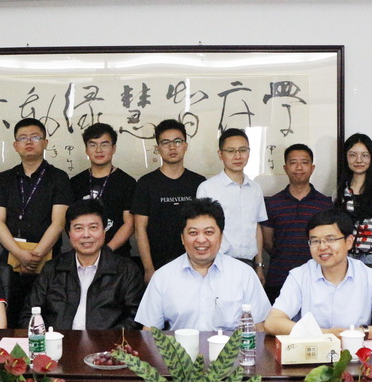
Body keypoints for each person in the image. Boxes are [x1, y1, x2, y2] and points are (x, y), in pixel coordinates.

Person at [263, 208, 372, 339]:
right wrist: (324, 334)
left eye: (330, 239)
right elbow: (273, 322)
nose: (322, 247)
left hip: (356, 354)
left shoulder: (369, 276)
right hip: (312, 355)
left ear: (349, 242)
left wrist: (361, 333)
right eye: (315, 241)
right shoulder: (299, 276)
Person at [135, 198, 270, 332]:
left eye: (209, 232)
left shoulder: (244, 274)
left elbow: (260, 328)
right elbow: (149, 332)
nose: (201, 240)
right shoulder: (162, 277)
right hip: (179, 346)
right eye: (193, 233)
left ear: (221, 237)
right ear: (182, 238)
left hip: (231, 346)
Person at [0, 118, 72, 323]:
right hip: (11, 261)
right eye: (23, 138)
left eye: (35, 137)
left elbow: (58, 223)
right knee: (10, 317)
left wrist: (35, 256)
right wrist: (20, 254)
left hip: (49, 261)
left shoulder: (59, 177)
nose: (29, 142)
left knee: (46, 318)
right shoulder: (4, 178)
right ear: (15, 145)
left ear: (45, 143)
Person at [22, 199, 144, 330]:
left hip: (107, 342)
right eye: (78, 228)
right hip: (58, 341)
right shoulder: (52, 269)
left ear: (104, 231)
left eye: (93, 227)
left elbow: (136, 318)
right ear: (69, 233)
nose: (86, 235)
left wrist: (106, 339)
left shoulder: (127, 270)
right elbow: (29, 315)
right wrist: (49, 338)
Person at [131, 119, 205, 282]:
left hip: (194, 264)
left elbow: (206, 227)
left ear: (185, 145)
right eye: (165, 142)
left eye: (177, 141)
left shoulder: (199, 183)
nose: (172, 147)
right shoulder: (146, 183)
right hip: (158, 264)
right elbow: (140, 228)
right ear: (158, 148)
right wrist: (148, 268)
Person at [262, 144, 334, 302]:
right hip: (279, 278)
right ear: (285, 168)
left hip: (316, 278)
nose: (299, 167)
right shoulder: (273, 203)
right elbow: (267, 242)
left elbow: (330, 241)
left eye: (304, 162)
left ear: (312, 168)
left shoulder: (325, 204)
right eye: (293, 162)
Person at [197, 128, 268, 283]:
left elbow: (256, 227)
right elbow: (201, 230)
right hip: (217, 263)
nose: (237, 156)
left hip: (249, 264)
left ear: (249, 152)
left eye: (242, 150)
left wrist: (259, 265)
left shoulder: (255, 188)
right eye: (230, 151)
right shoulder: (207, 188)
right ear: (220, 154)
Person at [335, 133, 372, 280]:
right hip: (345, 259)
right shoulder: (339, 192)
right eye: (353, 155)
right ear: (346, 158)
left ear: (371, 158)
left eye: (365, 155)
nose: (359, 160)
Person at [70, 123, 136, 257]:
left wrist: (106, 251)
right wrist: (84, 247)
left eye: (104, 145)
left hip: (117, 255)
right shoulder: (75, 182)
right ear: (86, 149)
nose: (98, 150)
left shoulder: (127, 182)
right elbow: (69, 221)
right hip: (82, 254)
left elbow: (129, 224)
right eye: (93, 145)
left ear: (113, 148)